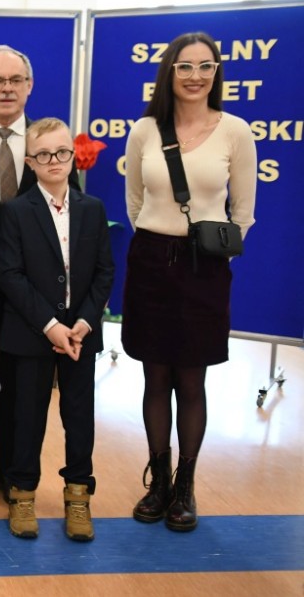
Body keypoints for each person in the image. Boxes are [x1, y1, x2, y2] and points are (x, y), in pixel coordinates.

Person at [123, 31, 257, 532]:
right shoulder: (145, 130)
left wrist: (206, 249)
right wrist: (162, 240)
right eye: (185, 66)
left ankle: (185, 486)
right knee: (155, 376)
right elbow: (135, 202)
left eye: (206, 66)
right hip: (151, 261)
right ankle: (158, 482)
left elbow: (243, 212)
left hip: (205, 268)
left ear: (216, 72)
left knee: (191, 379)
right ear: (169, 72)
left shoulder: (235, 131)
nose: (195, 76)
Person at [0, 45, 80, 503]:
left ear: (29, 86)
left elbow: (69, 216)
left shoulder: (49, 146)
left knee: (21, 391)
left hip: (31, 296)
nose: (6, 88)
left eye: (15, 80)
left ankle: (14, 477)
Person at [0, 117, 114, 542]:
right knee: (27, 417)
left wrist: (82, 323)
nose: (54, 161)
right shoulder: (15, 211)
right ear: (30, 161)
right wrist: (50, 325)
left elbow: (104, 271)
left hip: (81, 335)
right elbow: (10, 275)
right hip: (32, 334)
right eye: (43, 155)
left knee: (79, 417)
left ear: (73, 155)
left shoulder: (92, 208)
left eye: (62, 152)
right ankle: (23, 493)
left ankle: (78, 495)